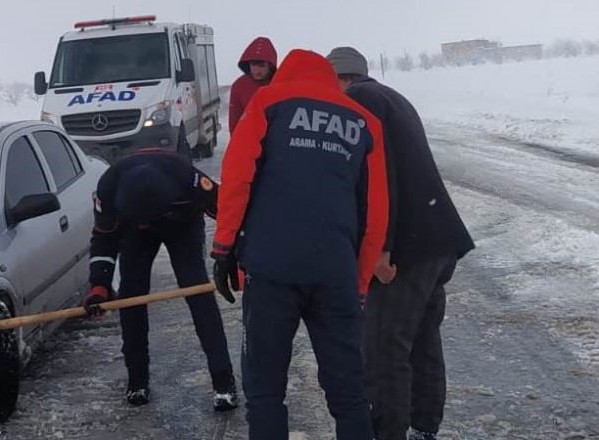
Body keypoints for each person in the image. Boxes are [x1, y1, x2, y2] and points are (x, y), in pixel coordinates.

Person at [212, 49, 389, 440]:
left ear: (284, 76)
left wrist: (223, 248)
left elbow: (237, 176)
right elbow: (375, 213)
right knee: (348, 394)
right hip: (335, 271)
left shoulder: (267, 102)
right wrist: (357, 282)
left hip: (272, 269)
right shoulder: (365, 122)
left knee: (265, 390)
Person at [326, 46, 475, 440]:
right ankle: (425, 427)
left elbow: (381, 172)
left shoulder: (359, 101)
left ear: (340, 77)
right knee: (423, 339)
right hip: (437, 239)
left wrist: (382, 247)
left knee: (383, 347)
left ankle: (387, 433)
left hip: (406, 247)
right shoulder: (393, 97)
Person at [84, 147, 239, 411]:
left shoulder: (187, 179)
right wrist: (99, 284)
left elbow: (229, 214)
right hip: (133, 231)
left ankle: (223, 382)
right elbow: (103, 238)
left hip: (182, 224)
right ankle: (137, 380)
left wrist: (235, 259)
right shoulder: (108, 189)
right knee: (131, 295)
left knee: (196, 289)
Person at [229, 37, 277, 135]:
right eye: (254, 65)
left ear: (270, 66)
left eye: (262, 66)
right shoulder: (239, 86)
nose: (257, 70)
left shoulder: (280, 84)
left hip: (276, 140)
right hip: (250, 140)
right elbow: (234, 123)